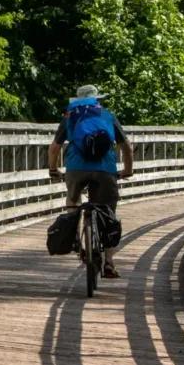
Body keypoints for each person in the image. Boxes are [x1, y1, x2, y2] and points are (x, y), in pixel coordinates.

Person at [48, 85, 133, 277]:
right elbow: (127, 148)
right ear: (97, 99)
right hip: (105, 169)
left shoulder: (70, 115)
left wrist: (53, 170)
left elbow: (54, 149)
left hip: (76, 168)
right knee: (108, 211)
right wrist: (127, 170)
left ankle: (75, 236)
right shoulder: (107, 115)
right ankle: (109, 263)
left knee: (73, 199)